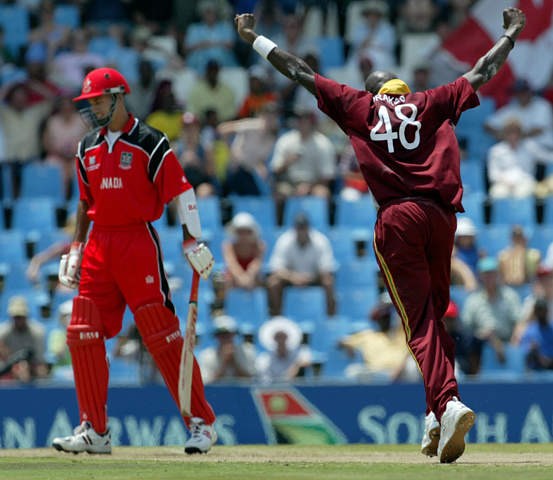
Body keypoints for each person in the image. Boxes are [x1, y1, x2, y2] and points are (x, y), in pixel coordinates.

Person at [234, 6, 526, 463]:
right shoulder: (431, 101)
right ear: (403, 90)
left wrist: (254, 38)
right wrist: (508, 35)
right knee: (436, 316)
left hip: (398, 219)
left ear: (374, 92)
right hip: (443, 219)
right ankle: (435, 413)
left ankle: (447, 402)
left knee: (417, 321)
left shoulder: (360, 107)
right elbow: (483, 70)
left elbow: (300, 71)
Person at [52, 67, 217, 455]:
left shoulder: (150, 141)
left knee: (160, 333)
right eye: (87, 102)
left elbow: (181, 189)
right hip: (98, 244)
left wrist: (192, 239)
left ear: (119, 96)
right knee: (81, 330)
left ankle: (201, 424)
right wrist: (75, 247)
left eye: (97, 100)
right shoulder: (86, 146)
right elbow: (84, 201)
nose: (92, 108)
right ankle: (94, 430)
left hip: (137, 240)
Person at [267, 213, 336, 316]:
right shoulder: (284, 240)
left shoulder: (321, 241)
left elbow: (326, 269)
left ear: (309, 228)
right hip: (290, 279)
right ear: (295, 228)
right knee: (273, 282)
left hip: (314, 279)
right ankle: (277, 316)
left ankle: (330, 317)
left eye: (304, 228)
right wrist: (293, 277)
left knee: (328, 281)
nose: (302, 231)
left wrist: (309, 278)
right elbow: (276, 269)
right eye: (299, 228)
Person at [462, 257, 522, 369]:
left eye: (492, 274)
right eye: (485, 274)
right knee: (467, 341)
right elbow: (466, 327)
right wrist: (484, 335)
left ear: (497, 275)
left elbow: (519, 322)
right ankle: (474, 373)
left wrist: (514, 341)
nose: (489, 278)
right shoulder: (473, 300)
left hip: (508, 340)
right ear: (480, 276)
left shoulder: (509, 296)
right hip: (481, 343)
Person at [0, 296, 49, 382]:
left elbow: (40, 360)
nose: (18, 320)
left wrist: (26, 366)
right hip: (8, 367)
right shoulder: (3, 333)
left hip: (32, 366)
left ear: (26, 316)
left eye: (20, 316)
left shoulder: (37, 332)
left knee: (41, 371)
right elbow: (4, 359)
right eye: (16, 317)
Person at [197, 314, 256, 383]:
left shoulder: (247, 352)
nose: (225, 338)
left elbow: (252, 382)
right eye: (221, 335)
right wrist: (224, 363)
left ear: (234, 335)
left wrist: (234, 362)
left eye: (228, 335)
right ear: (216, 336)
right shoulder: (207, 355)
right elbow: (207, 384)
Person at [256, 316, 313, 383]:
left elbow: (307, 361)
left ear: (288, 337)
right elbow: (264, 380)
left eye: (283, 337)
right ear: (273, 339)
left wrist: (296, 366)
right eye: (278, 337)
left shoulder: (300, 352)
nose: (281, 340)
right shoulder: (264, 359)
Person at [222, 212, 265, 290]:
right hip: (234, 276)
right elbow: (232, 264)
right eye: (240, 232)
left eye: (246, 232)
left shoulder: (260, 245)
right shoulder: (228, 246)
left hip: (252, 277)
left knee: (261, 280)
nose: (243, 235)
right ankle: (225, 301)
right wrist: (241, 278)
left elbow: (256, 264)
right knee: (225, 279)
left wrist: (249, 277)